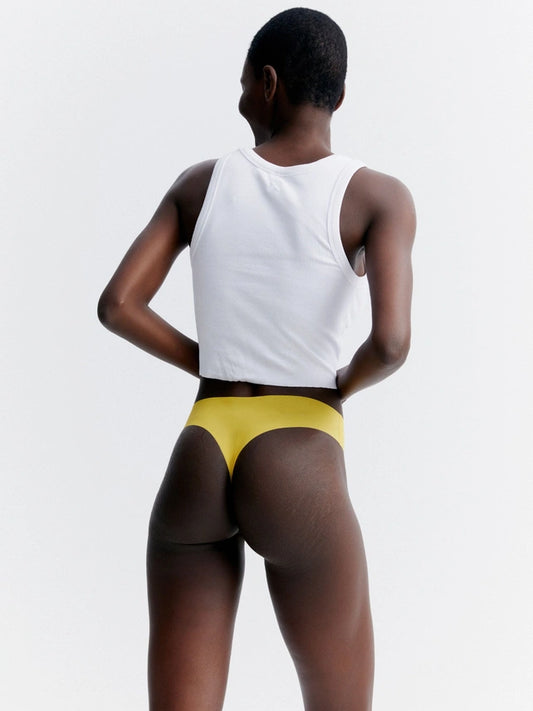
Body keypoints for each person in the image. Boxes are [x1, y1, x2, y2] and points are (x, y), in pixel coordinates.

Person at [97, 8, 416, 711]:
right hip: (299, 455)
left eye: (243, 84)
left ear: (268, 83)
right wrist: (340, 386)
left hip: (202, 448)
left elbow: (118, 304)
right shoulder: (377, 197)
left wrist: (211, 363)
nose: (240, 100)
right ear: (339, 94)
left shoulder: (200, 184)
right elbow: (391, 344)